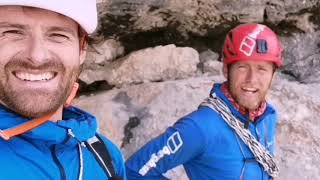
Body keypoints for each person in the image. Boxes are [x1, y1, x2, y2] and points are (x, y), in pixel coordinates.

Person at [126, 23, 283, 180]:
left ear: (273, 76)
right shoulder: (200, 127)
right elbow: (133, 172)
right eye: (242, 67)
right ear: (226, 70)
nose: (252, 79)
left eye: (262, 69)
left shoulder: (267, 116)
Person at [0, 0, 126, 179]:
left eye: (57, 35)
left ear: (82, 48)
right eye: (12, 32)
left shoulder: (106, 158)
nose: (37, 56)